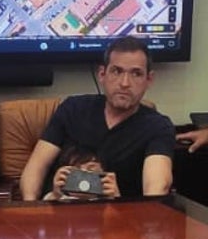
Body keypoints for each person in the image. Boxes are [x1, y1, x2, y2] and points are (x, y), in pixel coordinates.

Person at [19, 37, 175, 200]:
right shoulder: (73, 108)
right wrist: (33, 210)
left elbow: (157, 187)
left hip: (120, 219)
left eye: (136, 74)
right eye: (117, 71)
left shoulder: (158, 127)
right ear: (102, 74)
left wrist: (118, 202)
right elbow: (36, 167)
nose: (124, 83)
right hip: (60, 214)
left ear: (148, 80)